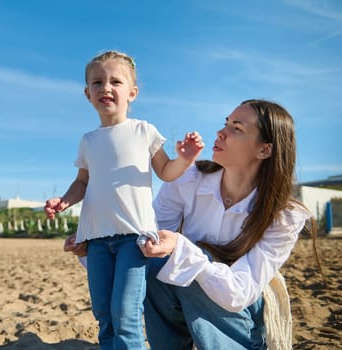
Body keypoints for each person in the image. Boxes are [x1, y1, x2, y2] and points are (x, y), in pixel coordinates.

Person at [44, 50, 204, 350]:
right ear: (87, 93)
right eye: (97, 82)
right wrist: (64, 201)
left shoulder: (144, 130)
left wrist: (185, 158)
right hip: (96, 240)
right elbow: (82, 182)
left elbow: (167, 172)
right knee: (104, 316)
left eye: (115, 81)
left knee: (126, 315)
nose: (106, 87)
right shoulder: (88, 141)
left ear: (131, 93)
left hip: (135, 238)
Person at [134, 99, 314, 349]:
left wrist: (185, 250)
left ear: (264, 150)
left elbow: (240, 292)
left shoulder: (284, 216)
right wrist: (96, 239)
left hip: (241, 310)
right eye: (225, 123)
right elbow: (150, 234)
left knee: (192, 264)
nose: (221, 132)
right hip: (188, 302)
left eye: (237, 128)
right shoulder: (187, 178)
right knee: (157, 264)